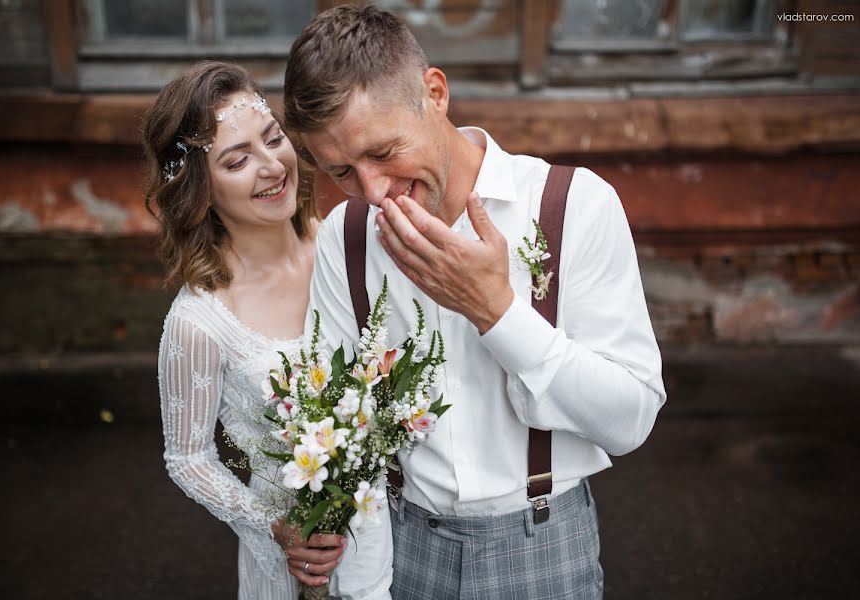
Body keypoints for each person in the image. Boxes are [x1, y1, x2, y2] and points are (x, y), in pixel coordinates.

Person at [283, 6, 667, 599]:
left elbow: (630, 421)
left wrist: (497, 312)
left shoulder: (574, 206)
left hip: (545, 548)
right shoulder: (346, 236)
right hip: (402, 547)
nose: (374, 191)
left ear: (434, 93)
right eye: (342, 172)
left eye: (383, 152)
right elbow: (340, 422)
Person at [144, 61, 392, 600]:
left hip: (397, 527)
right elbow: (188, 458)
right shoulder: (199, 323)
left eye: (273, 139)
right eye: (237, 160)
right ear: (199, 189)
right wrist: (272, 524)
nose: (272, 166)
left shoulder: (352, 247)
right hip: (294, 559)